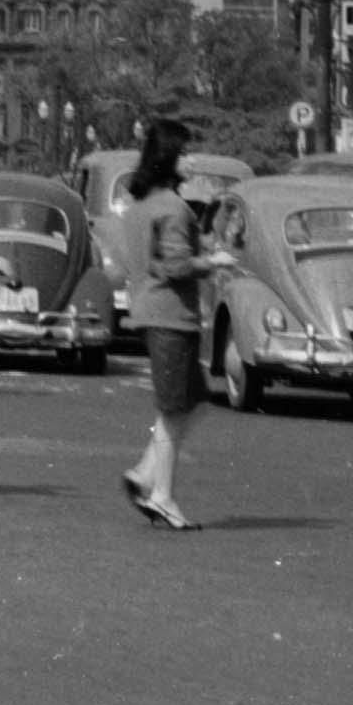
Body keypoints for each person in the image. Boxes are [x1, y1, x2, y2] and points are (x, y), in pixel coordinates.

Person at [120, 115, 214, 532]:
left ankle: (145, 473)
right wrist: (212, 262)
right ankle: (162, 493)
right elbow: (176, 265)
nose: (191, 160)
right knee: (177, 410)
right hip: (172, 316)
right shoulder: (175, 208)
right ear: (169, 157)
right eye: (185, 152)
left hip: (147, 310)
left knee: (189, 401)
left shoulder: (141, 203)